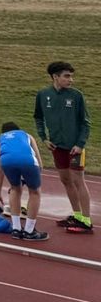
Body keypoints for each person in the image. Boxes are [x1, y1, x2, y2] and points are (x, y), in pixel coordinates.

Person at [34, 61, 91, 233]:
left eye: (71, 76)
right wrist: (44, 138)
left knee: (78, 180)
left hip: (75, 147)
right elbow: (38, 117)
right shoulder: (43, 95)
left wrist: (80, 144)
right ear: (55, 77)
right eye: (67, 76)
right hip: (57, 146)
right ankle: (77, 215)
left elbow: (86, 123)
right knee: (66, 180)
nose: (71, 80)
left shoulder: (76, 96)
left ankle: (86, 221)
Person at [0, 121, 47, 241]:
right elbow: (39, 164)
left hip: (7, 161)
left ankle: (16, 229)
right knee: (35, 192)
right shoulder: (27, 135)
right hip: (28, 161)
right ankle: (29, 231)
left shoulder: (1, 138)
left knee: (15, 189)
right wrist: (30, 180)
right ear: (18, 129)